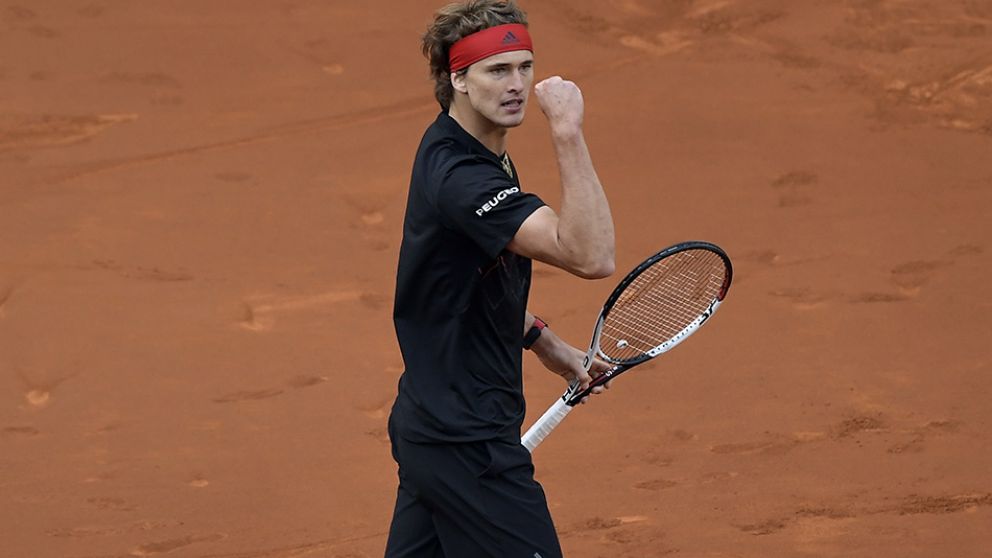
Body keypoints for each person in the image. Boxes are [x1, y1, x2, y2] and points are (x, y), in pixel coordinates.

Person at [386, 1, 615, 556]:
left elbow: (467, 281)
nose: (517, 85)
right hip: (468, 443)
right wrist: (567, 131)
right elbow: (590, 255)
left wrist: (544, 341)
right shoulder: (462, 176)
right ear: (458, 78)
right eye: (497, 70)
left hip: (433, 424)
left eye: (524, 66)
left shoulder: (470, 150)